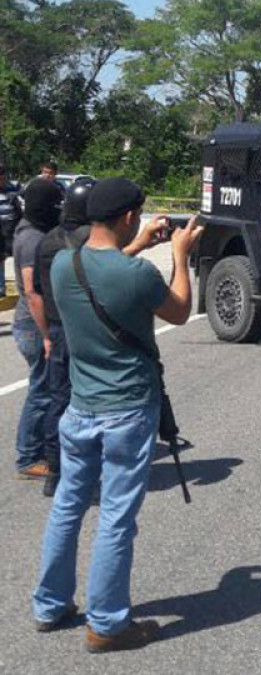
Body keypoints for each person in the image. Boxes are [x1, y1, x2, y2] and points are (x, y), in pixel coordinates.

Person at [32, 177, 202, 652]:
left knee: (68, 506)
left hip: (80, 408)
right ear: (128, 217)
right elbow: (182, 310)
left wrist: (140, 244)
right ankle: (107, 624)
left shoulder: (66, 264)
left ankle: (49, 604)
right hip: (127, 411)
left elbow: (100, 277)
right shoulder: (138, 277)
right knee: (116, 517)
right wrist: (180, 256)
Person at [31, 179, 96, 496]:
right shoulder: (91, 241)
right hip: (84, 330)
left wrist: (45, 335)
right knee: (90, 403)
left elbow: (37, 293)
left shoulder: (47, 241)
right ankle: (85, 474)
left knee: (59, 401)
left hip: (56, 329)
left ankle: (54, 472)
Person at [12, 179, 63, 480]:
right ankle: (29, 456)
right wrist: (46, 336)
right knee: (42, 391)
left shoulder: (31, 230)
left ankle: (44, 447)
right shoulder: (31, 239)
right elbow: (32, 293)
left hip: (34, 323)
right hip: (33, 325)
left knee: (47, 388)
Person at [0, 163, 21, 297]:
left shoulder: (12, 190)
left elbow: (18, 210)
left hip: (11, 227)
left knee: (17, 256)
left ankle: (21, 285)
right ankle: (1, 287)